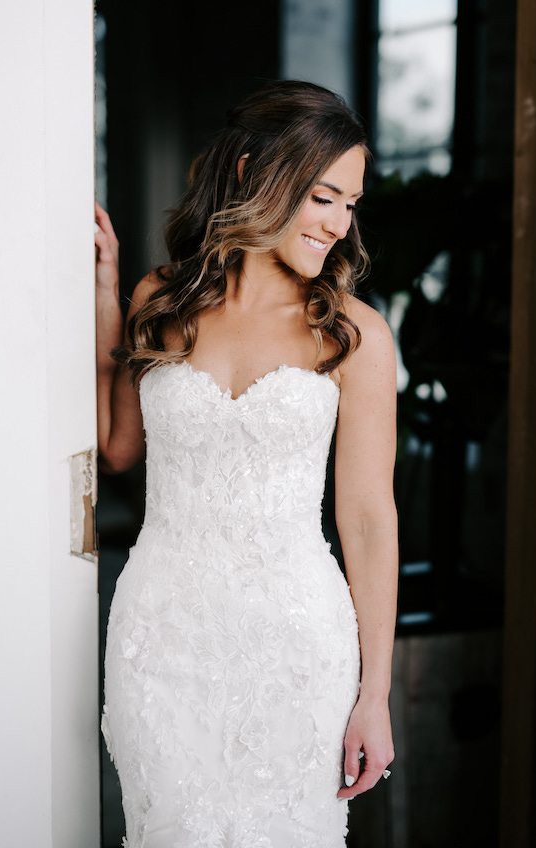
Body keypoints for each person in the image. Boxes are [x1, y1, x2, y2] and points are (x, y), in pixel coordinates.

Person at [95, 80, 398, 848]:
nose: (337, 223)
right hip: (161, 638)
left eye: (350, 204)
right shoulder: (158, 299)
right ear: (249, 173)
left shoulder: (354, 334)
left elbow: (365, 519)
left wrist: (376, 694)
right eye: (322, 196)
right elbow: (120, 449)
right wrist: (105, 299)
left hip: (297, 647)